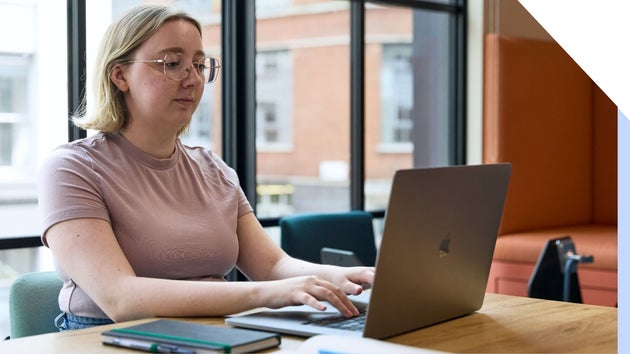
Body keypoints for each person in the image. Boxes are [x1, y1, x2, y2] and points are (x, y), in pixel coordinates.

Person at [38, 4, 374, 331]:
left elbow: (271, 265)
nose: (192, 79)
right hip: (106, 338)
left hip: (213, 329)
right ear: (120, 75)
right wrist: (266, 294)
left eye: (199, 65)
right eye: (172, 63)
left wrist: (335, 278)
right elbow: (121, 298)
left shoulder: (213, 168)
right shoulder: (71, 168)